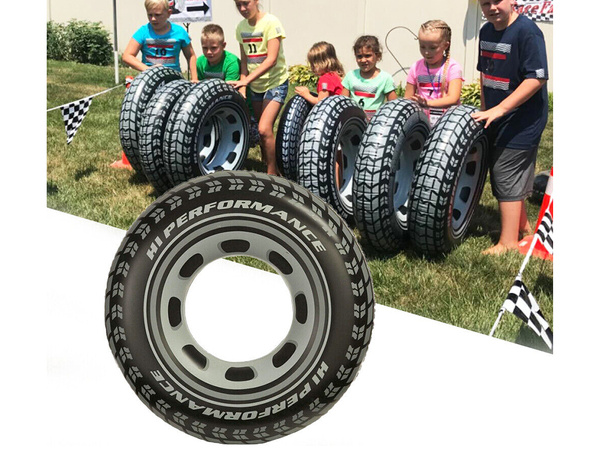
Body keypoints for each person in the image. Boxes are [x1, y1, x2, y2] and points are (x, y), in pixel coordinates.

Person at [471, 0, 549, 255]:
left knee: (506, 171)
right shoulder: (485, 31)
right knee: (506, 173)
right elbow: (485, 73)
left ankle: (508, 243)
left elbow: (537, 77)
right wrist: (487, 110)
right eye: (485, 3)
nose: (492, 7)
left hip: (522, 119)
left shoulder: (528, 32)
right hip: (496, 116)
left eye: (497, 1)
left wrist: (501, 109)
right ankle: (524, 228)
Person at [229, 0, 289, 175]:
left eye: (246, 3)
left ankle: (272, 173)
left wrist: (246, 81)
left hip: (275, 82)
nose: (242, 9)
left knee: (264, 128)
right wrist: (243, 84)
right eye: (238, 5)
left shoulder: (271, 22)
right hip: (255, 85)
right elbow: (245, 60)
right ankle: (267, 160)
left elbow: (271, 60)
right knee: (263, 132)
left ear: (256, 1)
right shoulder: (241, 27)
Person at [404, 20, 463, 125]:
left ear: (445, 45)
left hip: (447, 123)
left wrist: (428, 104)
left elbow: (453, 98)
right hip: (421, 122)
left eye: (433, 48)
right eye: (422, 47)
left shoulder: (453, 68)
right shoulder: (416, 67)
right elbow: (408, 98)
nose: (426, 52)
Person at [122, 0, 198, 81]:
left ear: (169, 13)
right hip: (149, 79)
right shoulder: (143, 32)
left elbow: (191, 56)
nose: (153, 19)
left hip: (174, 79)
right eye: (150, 15)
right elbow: (127, 56)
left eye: (158, 15)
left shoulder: (180, 32)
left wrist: (194, 78)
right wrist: (148, 70)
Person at [342, 35, 397, 121]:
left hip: (375, 123)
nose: (363, 60)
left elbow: (394, 106)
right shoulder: (350, 76)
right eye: (359, 56)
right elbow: (342, 102)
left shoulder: (385, 78)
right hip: (353, 122)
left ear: (378, 56)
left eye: (367, 56)